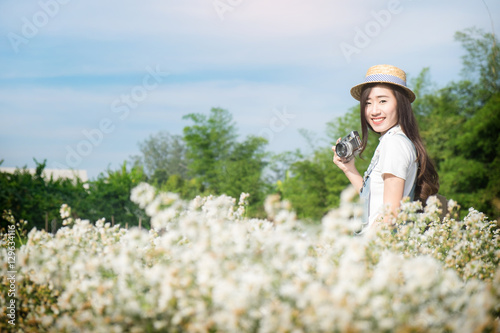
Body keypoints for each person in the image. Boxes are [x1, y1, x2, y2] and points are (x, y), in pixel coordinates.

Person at [332, 64, 439, 231]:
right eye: (368, 103)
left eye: (382, 101)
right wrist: (349, 169)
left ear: (400, 104)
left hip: (380, 248)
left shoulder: (394, 143)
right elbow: (373, 201)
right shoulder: (394, 141)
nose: (374, 111)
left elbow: (390, 214)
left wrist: (364, 250)